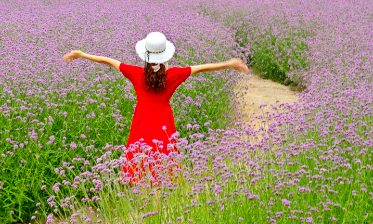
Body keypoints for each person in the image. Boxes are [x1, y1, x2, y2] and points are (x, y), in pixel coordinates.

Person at [63, 31, 249, 184]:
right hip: (163, 122)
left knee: (141, 158)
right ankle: (159, 198)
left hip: (141, 121)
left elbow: (108, 61)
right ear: (165, 55)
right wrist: (228, 64)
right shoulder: (174, 75)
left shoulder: (135, 73)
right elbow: (202, 68)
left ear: (145, 56)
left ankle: (143, 194)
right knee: (162, 159)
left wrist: (82, 55)